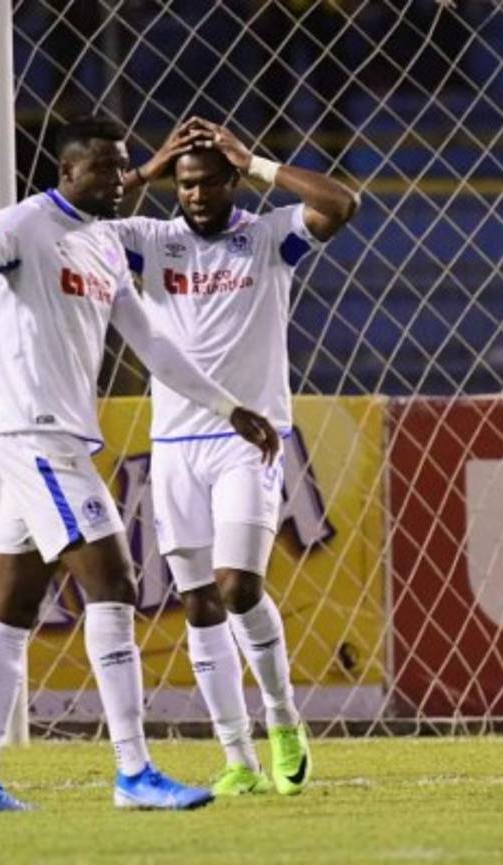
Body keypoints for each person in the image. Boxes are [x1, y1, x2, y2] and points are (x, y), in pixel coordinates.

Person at [0, 116, 280, 813]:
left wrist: (232, 408)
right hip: (33, 434)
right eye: (105, 170)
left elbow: (155, 347)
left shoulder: (103, 243)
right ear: (67, 173)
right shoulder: (25, 224)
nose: (120, 180)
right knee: (114, 583)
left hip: (56, 439)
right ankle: (134, 770)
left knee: (10, 607)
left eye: (124, 167)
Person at [118, 117, 359, 796]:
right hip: (173, 445)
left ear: (228, 181)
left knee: (237, 587)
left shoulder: (267, 235)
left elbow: (341, 204)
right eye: (183, 185)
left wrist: (256, 161)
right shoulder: (153, 241)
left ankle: (282, 715)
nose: (193, 195)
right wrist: (148, 166)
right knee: (195, 603)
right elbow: (77, 233)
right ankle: (236, 757)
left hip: (247, 440)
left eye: (205, 182)